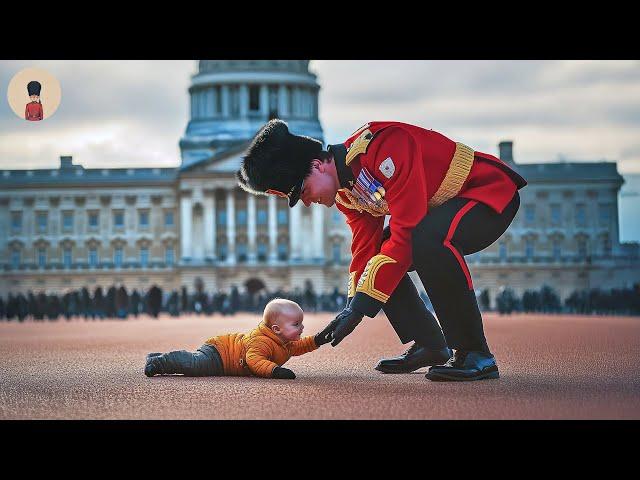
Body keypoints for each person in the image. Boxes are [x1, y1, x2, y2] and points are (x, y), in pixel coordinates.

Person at [237, 119, 527, 381]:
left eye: (302, 192)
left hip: (485, 193)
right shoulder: (347, 194)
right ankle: (430, 343)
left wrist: (363, 308)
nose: (308, 202)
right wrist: (351, 307)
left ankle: (475, 352)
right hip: (439, 214)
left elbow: (406, 229)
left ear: (317, 165)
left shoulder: (384, 145)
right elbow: (365, 249)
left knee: (423, 239)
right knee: (385, 252)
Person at [144, 298, 333, 379]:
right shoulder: (261, 341)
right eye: (296, 324)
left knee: (193, 364)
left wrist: (318, 340)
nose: (302, 328)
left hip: (225, 355)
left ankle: (157, 357)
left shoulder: (285, 341)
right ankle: (162, 362)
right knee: (195, 366)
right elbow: (254, 361)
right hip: (219, 354)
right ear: (276, 329)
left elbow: (300, 346)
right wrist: (274, 371)